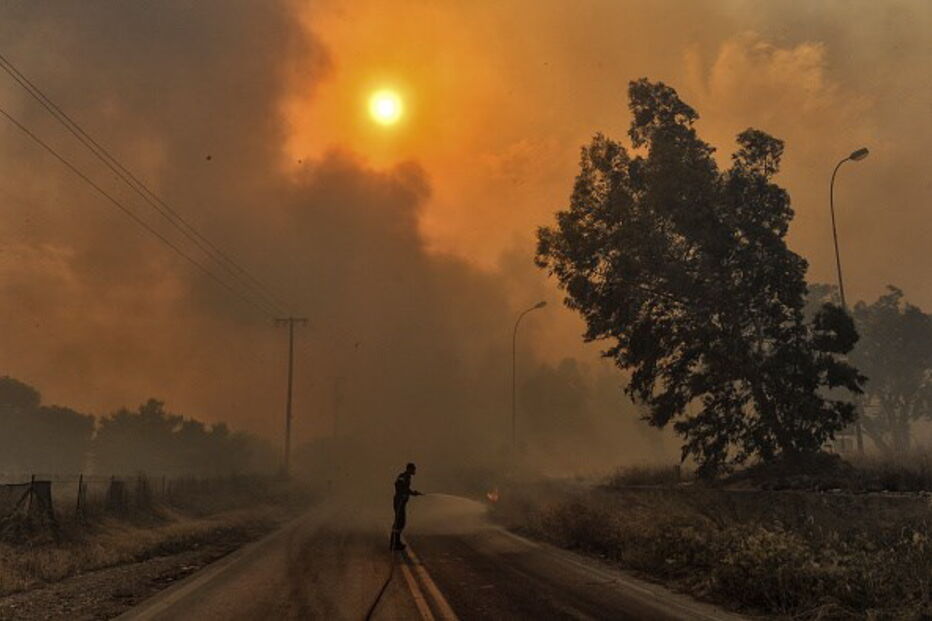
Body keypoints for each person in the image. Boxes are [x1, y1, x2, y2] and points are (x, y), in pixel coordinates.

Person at [390, 462, 422, 550]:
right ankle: (394, 543)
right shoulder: (403, 476)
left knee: (401, 522)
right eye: (413, 469)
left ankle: (396, 542)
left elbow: (406, 489)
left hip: (402, 501)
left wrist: (413, 493)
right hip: (399, 501)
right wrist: (404, 493)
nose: (415, 471)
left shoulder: (407, 477)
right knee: (399, 522)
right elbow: (397, 485)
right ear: (409, 469)